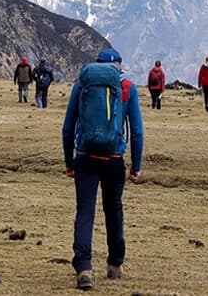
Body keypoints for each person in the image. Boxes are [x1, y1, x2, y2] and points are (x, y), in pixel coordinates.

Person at [63, 47, 143, 290]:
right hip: (114, 158)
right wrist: (136, 165)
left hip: (85, 157)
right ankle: (115, 263)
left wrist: (69, 162)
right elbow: (137, 130)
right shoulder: (127, 87)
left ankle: (84, 268)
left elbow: (68, 127)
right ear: (119, 64)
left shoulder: (82, 85)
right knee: (113, 209)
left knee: (85, 210)